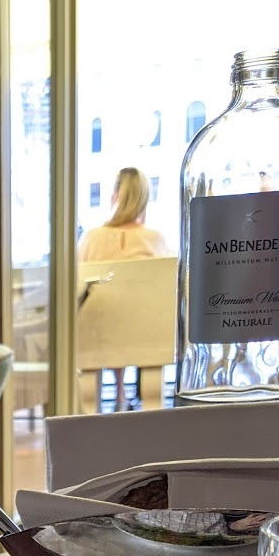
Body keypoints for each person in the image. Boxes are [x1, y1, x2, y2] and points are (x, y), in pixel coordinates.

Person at [78, 167, 172, 409]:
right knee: (137, 317)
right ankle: (124, 393)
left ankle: (120, 391)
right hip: (146, 338)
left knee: (107, 311)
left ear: (115, 195)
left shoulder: (91, 238)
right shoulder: (155, 240)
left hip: (98, 337)